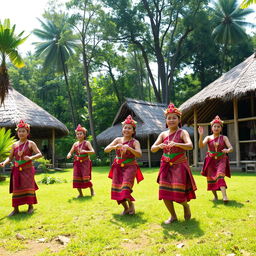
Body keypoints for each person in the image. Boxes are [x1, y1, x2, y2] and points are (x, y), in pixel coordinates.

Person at [151, 103, 197, 224]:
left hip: (179, 165)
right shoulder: (163, 134)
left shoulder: (182, 132)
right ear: (166, 120)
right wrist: (159, 146)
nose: (171, 120)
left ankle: (186, 206)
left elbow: (190, 146)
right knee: (164, 192)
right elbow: (153, 148)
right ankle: (173, 216)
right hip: (165, 165)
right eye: (169, 118)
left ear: (179, 120)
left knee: (178, 192)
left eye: (174, 118)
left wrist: (177, 144)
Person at [0, 120, 42, 216]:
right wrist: (4, 162)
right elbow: (10, 158)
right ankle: (16, 209)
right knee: (16, 188)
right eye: (19, 131)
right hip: (16, 170)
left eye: (23, 131)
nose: (21, 133)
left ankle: (30, 207)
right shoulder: (14, 145)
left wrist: (30, 157)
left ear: (27, 132)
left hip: (27, 169)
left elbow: (39, 154)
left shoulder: (31, 143)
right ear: (17, 132)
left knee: (28, 187)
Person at [104, 115, 144, 215]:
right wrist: (114, 146)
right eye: (125, 127)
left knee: (125, 187)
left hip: (130, 167)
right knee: (117, 189)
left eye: (129, 128)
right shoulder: (118, 140)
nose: (126, 129)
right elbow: (106, 149)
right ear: (122, 129)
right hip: (117, 167)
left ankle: (131, 204)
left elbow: (139, 154)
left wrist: (130, 148)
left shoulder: (135, 142)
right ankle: (125, 208)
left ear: (133, 131)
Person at [198, 115, 233, 203]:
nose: (216, 128)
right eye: (215, 126)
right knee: (211, 178)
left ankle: (225, 196)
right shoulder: (208, 137)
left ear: (221, 128)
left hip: (222, 159)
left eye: (218, 126)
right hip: (210, 160)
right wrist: (201, 135)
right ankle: (215, 196)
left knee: (220, 175)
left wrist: (228, 150)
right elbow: (201, 146)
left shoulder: (224, 137)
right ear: (211, 128)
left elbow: (231, 148)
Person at [67, 124, 95, 198]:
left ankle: (91, 190)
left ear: (84, 134)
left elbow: (93, 151)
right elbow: (70, 151)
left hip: (85, 162)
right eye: (77, 134)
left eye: (80, 134)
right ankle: (80, 193)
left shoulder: (87, 143)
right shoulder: (75, 144)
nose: (79, 135)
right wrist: (69, 154)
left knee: (86, 178)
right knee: (76, 178)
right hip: (77, 163)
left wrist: (85, 151)